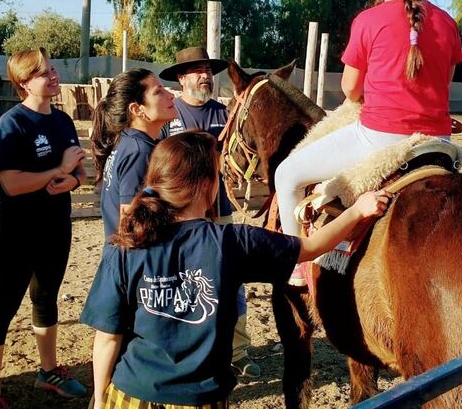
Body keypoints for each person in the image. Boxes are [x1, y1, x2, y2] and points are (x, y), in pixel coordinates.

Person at [80, 132, 390, 409]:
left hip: (130, 394)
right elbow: (311, 247)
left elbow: (108, 337)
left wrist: (99, 399)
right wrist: (357, 210)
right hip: (200, 398)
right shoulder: (231, 242)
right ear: (207, 185)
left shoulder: (124, 244)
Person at [274, 0, 462, 285]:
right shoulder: (448, 24)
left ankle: (298, 265)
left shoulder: (368, 20)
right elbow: (444, 86)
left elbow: (350, 89)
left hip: (379, 138)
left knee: (286, 175)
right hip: (437, 140)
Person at [0, 48, 88, 409]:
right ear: (24, 83)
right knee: (2, 306)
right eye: (44, 73)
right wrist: (57, 172)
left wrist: (71, 181)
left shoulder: (63, 121)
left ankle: (48, 372)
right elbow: (10, 184)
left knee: (46, 298)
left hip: (54, 226)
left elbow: (80, 172)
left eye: (52, 69)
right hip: (16, 230)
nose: (53, 76)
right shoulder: (12, 123)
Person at [159, 46, 260, 379]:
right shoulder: (168, 116)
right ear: (181, 77)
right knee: (183, 282)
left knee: (232, 280)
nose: (205, 76)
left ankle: (238, 350)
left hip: (220, 210)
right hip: (180, 215)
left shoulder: (225, 113)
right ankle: (188, 349)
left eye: (208, 70)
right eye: (197, 71)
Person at [91, 69, 177, 239]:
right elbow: (129, 222)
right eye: (158, 91)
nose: (171, 95)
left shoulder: (128, 142)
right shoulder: (139, 151)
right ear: (137, 109)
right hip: (132, 259)